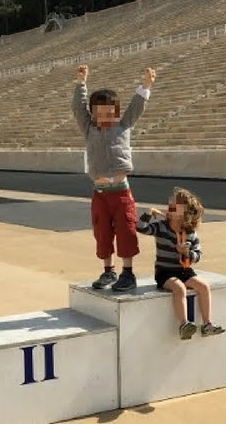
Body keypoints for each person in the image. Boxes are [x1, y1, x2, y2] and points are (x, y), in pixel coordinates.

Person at [73, 63, 156, 292]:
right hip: (100, 194)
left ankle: (128, 273)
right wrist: (81, 83)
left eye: (110, 112)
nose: (106, 116)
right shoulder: (89, 128)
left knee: (126, 231)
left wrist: (145, 86)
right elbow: (78, 108)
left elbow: (136, 106)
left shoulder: (124, 124)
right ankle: (108, 271)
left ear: (117, 112)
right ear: (93, 114)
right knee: (102, 232)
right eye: (100, 113)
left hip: (121, 192)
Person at [137, 187, 225, 340]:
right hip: (164, 272)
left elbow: (198, 256)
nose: (170, 204)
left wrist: (187, 253)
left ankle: (207, 324)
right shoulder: (161, 227)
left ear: (185, 212)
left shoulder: (190, 233)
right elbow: (140, 227)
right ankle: (184, 324)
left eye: (175, 203)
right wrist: (149, 212)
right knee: (179, 288)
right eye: (171, 202)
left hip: (184, 270)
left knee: (204, 287)